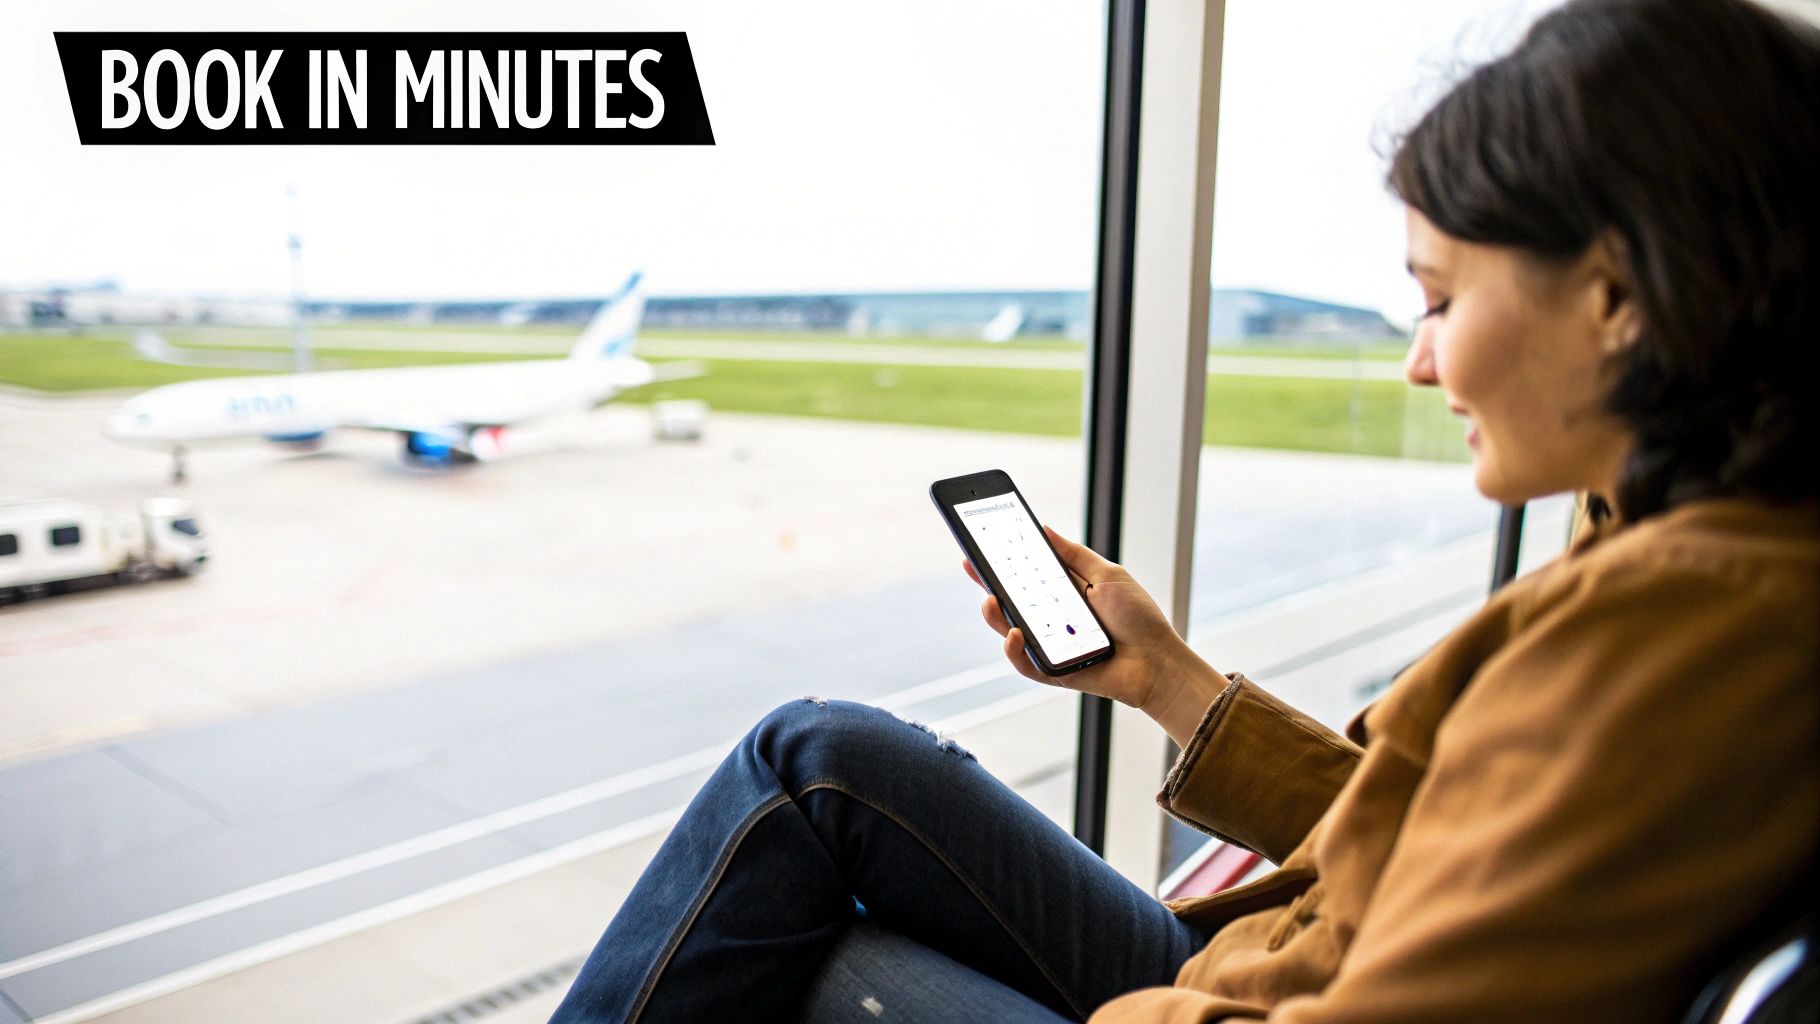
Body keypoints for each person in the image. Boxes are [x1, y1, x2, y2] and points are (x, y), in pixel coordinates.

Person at [548, 0, 1819, 1019]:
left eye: (1437, 300)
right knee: (817, 755)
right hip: (1265, 951)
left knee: (801, 941)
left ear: (1616, 294)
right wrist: (1161, 675)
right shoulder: (1668, 533)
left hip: (1233, 992)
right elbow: (1432, 837)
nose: (1416, 365)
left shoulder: (1686, 623)